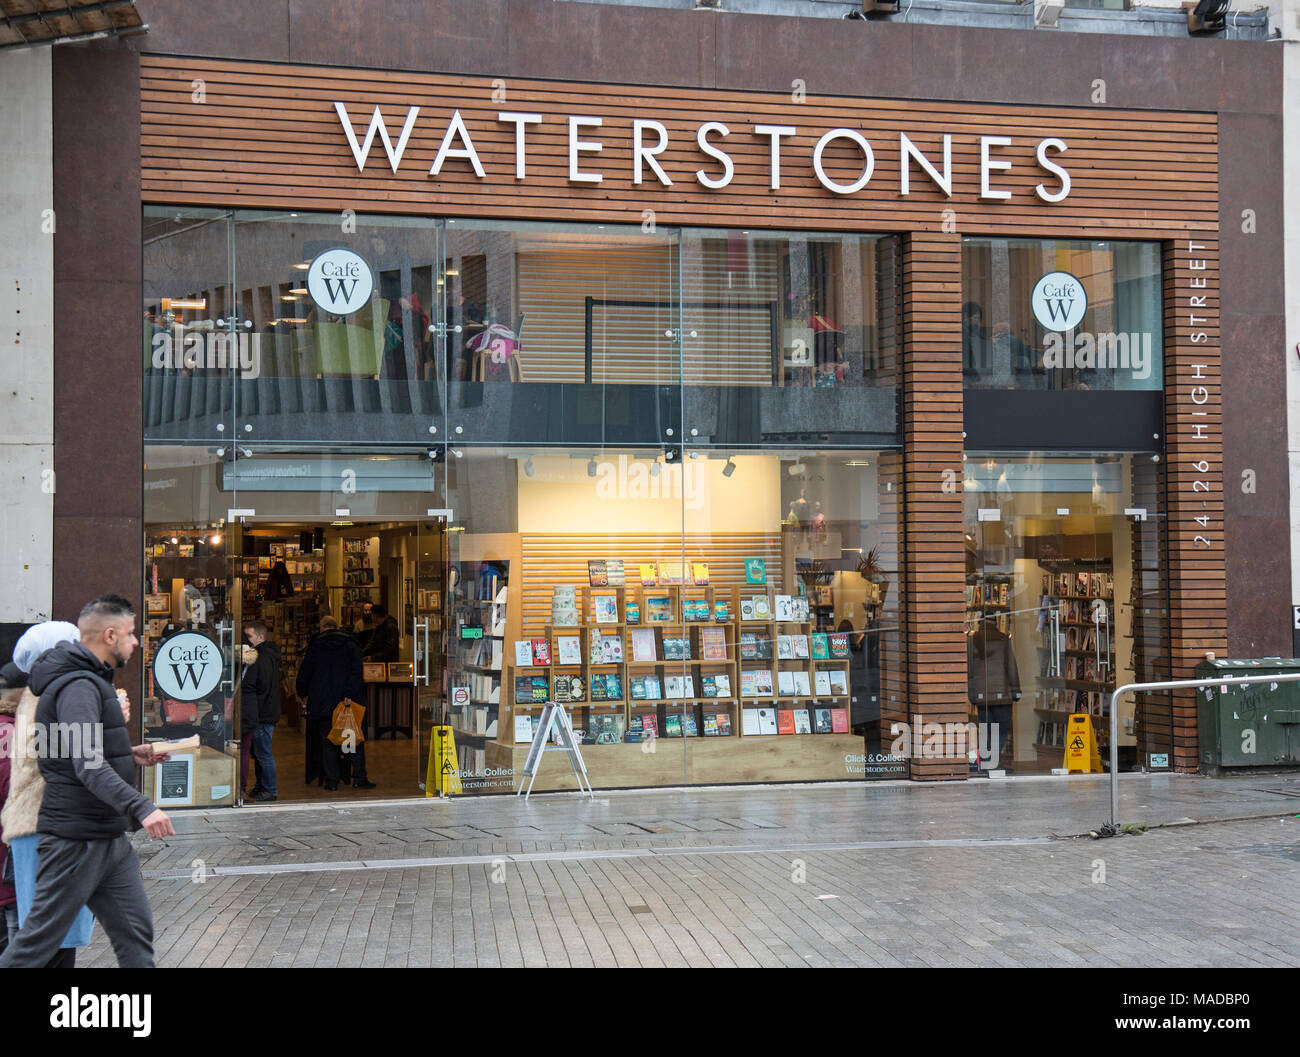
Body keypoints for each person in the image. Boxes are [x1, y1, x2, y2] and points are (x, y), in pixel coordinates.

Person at [0, 597, 175, 969]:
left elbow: (67, 754)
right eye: (130, 634)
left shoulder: (83, 685)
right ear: (109, 635)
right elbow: (85, 764)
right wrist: (143, 806)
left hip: (104, 832)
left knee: (135, 936)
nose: (136, 643)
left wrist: (127, 753)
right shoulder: (76, 687)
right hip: (74, 836)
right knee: (39, 945)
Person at [0, 624, 96, 966]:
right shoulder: (48, 705)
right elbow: (77, 765)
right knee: (45, 944)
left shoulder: (35, 705)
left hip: (31, 840)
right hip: (40, 840)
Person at [296, 615, 372, 791]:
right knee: (352, 738)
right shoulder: (351, 644)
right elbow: (356, 672)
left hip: (321, 701)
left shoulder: (315, 645)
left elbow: (305, 672)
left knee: (327, 741)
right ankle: (358, 777)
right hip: (345, 702)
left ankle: (332, 781)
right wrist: (350, 694)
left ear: (322, 628)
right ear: (336, 627)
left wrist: (302, 692)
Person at [242, 620, 280, 802]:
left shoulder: (262, 657)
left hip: (262, 713)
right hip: (263, 712)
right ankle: (262, 786)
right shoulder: (263, 655)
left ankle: (270, 789)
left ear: (261, 636)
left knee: (263, 753)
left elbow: (262, 687)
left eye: (249, 636)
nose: (247, 640)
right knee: (259, 753)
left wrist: (255, 711)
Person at [236, 641, 260, 798]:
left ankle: (231, 786)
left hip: (233, 711)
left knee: (231, 751)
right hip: (250, 711)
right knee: (245, 751)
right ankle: (241, 788)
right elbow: (263, 686)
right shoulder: (256, 665)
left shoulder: (230, 665)